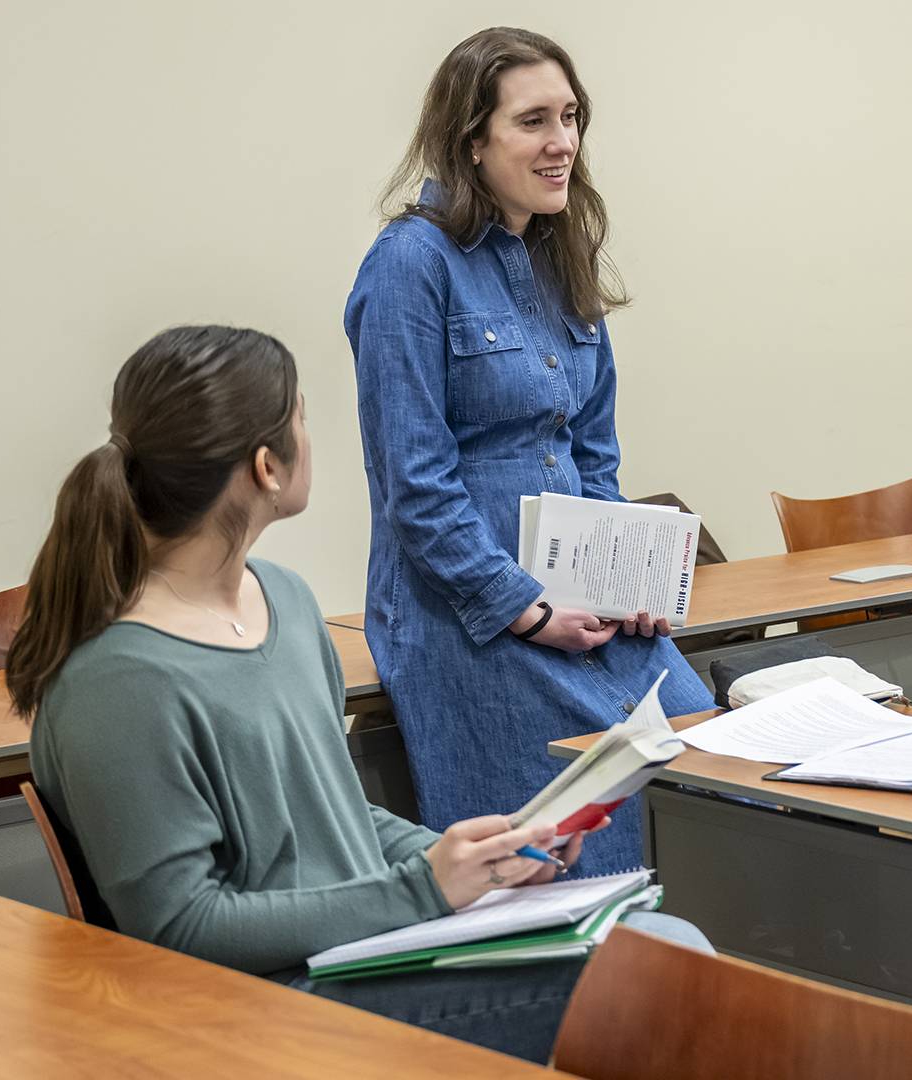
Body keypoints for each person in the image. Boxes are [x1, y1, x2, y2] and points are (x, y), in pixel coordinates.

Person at [5, 326, 707, 1061]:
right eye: (303, 418)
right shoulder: (116, 685)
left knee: (663, 951)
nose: (314, 437)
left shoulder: (282, 599)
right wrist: (426, 889)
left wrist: (478, 859)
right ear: (267, 466)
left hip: (372, 947)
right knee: (663, 970)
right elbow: (179, 929)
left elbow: (331, 810)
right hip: (269, 1000)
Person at [345, 28, 712, 869]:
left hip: (580, 607)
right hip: (473, 615)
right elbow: (415, 483)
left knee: (708, 767)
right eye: (533, 121)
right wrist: (524, 607)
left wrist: (630, 584)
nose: (563, 143)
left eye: (572, 117)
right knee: (582, 849)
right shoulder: (409, 264)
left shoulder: (558, 256)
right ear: (471, 141)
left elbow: (592, 456)